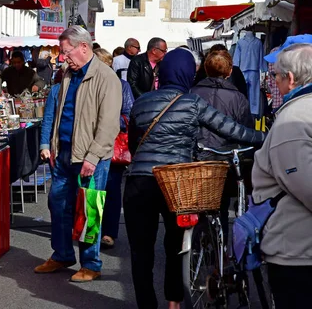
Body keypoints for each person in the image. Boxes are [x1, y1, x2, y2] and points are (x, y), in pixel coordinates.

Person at [124, 48, 265, 309]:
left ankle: (146, 304)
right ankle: (174, 301)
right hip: (176, 182)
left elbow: (135, 145)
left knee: (140, 251)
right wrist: (267, 138)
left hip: (138, 182)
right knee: (175, 245)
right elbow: (231, 129)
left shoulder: (142, 102)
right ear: (189, 73)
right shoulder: (191, 102)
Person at [35, 26, 122, 283]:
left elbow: (108, 125)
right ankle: (62, 254)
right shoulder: (67, 75)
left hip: (90, 157)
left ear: (83, 47)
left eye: (66, 52)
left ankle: (91, 264)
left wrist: (93, 157)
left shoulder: (106, 78)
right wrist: (51, 144)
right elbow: (57, 112)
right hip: (63, 154)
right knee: (58, 205)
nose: (63, 57)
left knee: (89, 209)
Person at [252, 43, 312, 308]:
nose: (272, 81)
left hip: (297, 250)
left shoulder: (292, 120)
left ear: (290, 79)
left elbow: (305, 185)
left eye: (275, 76)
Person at [192, 50, 253, 237]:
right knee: (223, 206)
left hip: (196, 157)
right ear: (229, 71)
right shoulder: (238, 98)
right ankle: (222, 253)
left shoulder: (191, 93)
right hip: (224, 160)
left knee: (197, 204)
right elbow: (244, 132)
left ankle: (196, 244)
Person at [93, 48, 134, 248]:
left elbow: (128, 113)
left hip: (113, 143)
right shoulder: (87, 85)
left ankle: (109, 231)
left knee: (111, 189)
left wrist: (106, 120)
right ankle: (92, 229)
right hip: (90, 143)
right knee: (91, 188)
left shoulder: (122, 86)